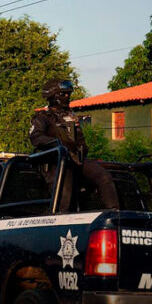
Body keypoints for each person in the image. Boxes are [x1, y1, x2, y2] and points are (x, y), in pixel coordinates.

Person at [29, 78, 119, 212]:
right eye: (63, 94)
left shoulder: (71, 116)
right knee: (65, 189)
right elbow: (36, 137)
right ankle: (61, 221)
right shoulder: (42, 117)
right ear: (52, 96)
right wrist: (58, 145)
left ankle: (115, 214)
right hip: (56, 162)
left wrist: (82, 150)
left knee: (103, 176)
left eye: (68, 94)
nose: (67, 97)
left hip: (76, 159)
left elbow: (80, 141)